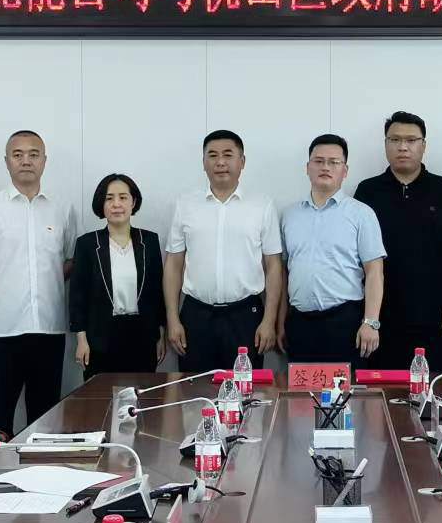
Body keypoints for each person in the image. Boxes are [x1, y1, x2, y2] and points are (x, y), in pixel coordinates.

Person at [0, 130, 77, 432]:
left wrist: (45, 283)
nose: (26, 161)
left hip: (49, 328)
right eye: (18, 155)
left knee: (45, 417)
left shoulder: (62, 208)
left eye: (33, 154)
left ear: (44, 161)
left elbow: (69, 260)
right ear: (6, 161)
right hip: (2, 330)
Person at [353, 111, 442, 375]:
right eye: (394, 140)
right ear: (385, 144)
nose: (403, 147)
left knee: (431, 390)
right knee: (381, 391)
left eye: (411, 140)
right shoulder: (367, 191)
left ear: (423, 145)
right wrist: (368, 318)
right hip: (380, 317)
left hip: (436, 316)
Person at [163, 130, 284, 373]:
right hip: (196, 315)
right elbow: (174, 264)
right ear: (203, 162)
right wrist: (173, 319)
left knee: (245, 390)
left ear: (242, 161)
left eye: (228, 155)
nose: (220, 162)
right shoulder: (186, 204)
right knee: (194, 388)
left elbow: (273, 266)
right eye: (213, 155)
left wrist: (269, 320)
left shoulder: (262, 204)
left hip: (246, 316)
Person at [279, 135, 386, 364]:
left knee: (346, 387)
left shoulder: (361, 214)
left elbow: (375, 272)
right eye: (318, 161)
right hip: (299, 323)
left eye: (334, 162)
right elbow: (283, 272)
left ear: (345, 170)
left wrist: (371, 322)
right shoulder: (289, 215)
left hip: (345, 322)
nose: (325, 167)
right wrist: (280, 323)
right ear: (307, 168)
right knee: (300, 387)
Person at [69, 173, 167, 375]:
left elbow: (157, 292)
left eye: (123, 197)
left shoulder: (149, 241)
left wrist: (160, 335)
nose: (116, 204)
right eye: (109, 198)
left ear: (133, 202)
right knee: (101, 393)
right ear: (101, 204)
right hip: (100, 337)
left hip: (142, 335)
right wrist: (81, 340)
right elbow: (78, 295)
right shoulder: (87, 244)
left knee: (142, 392)